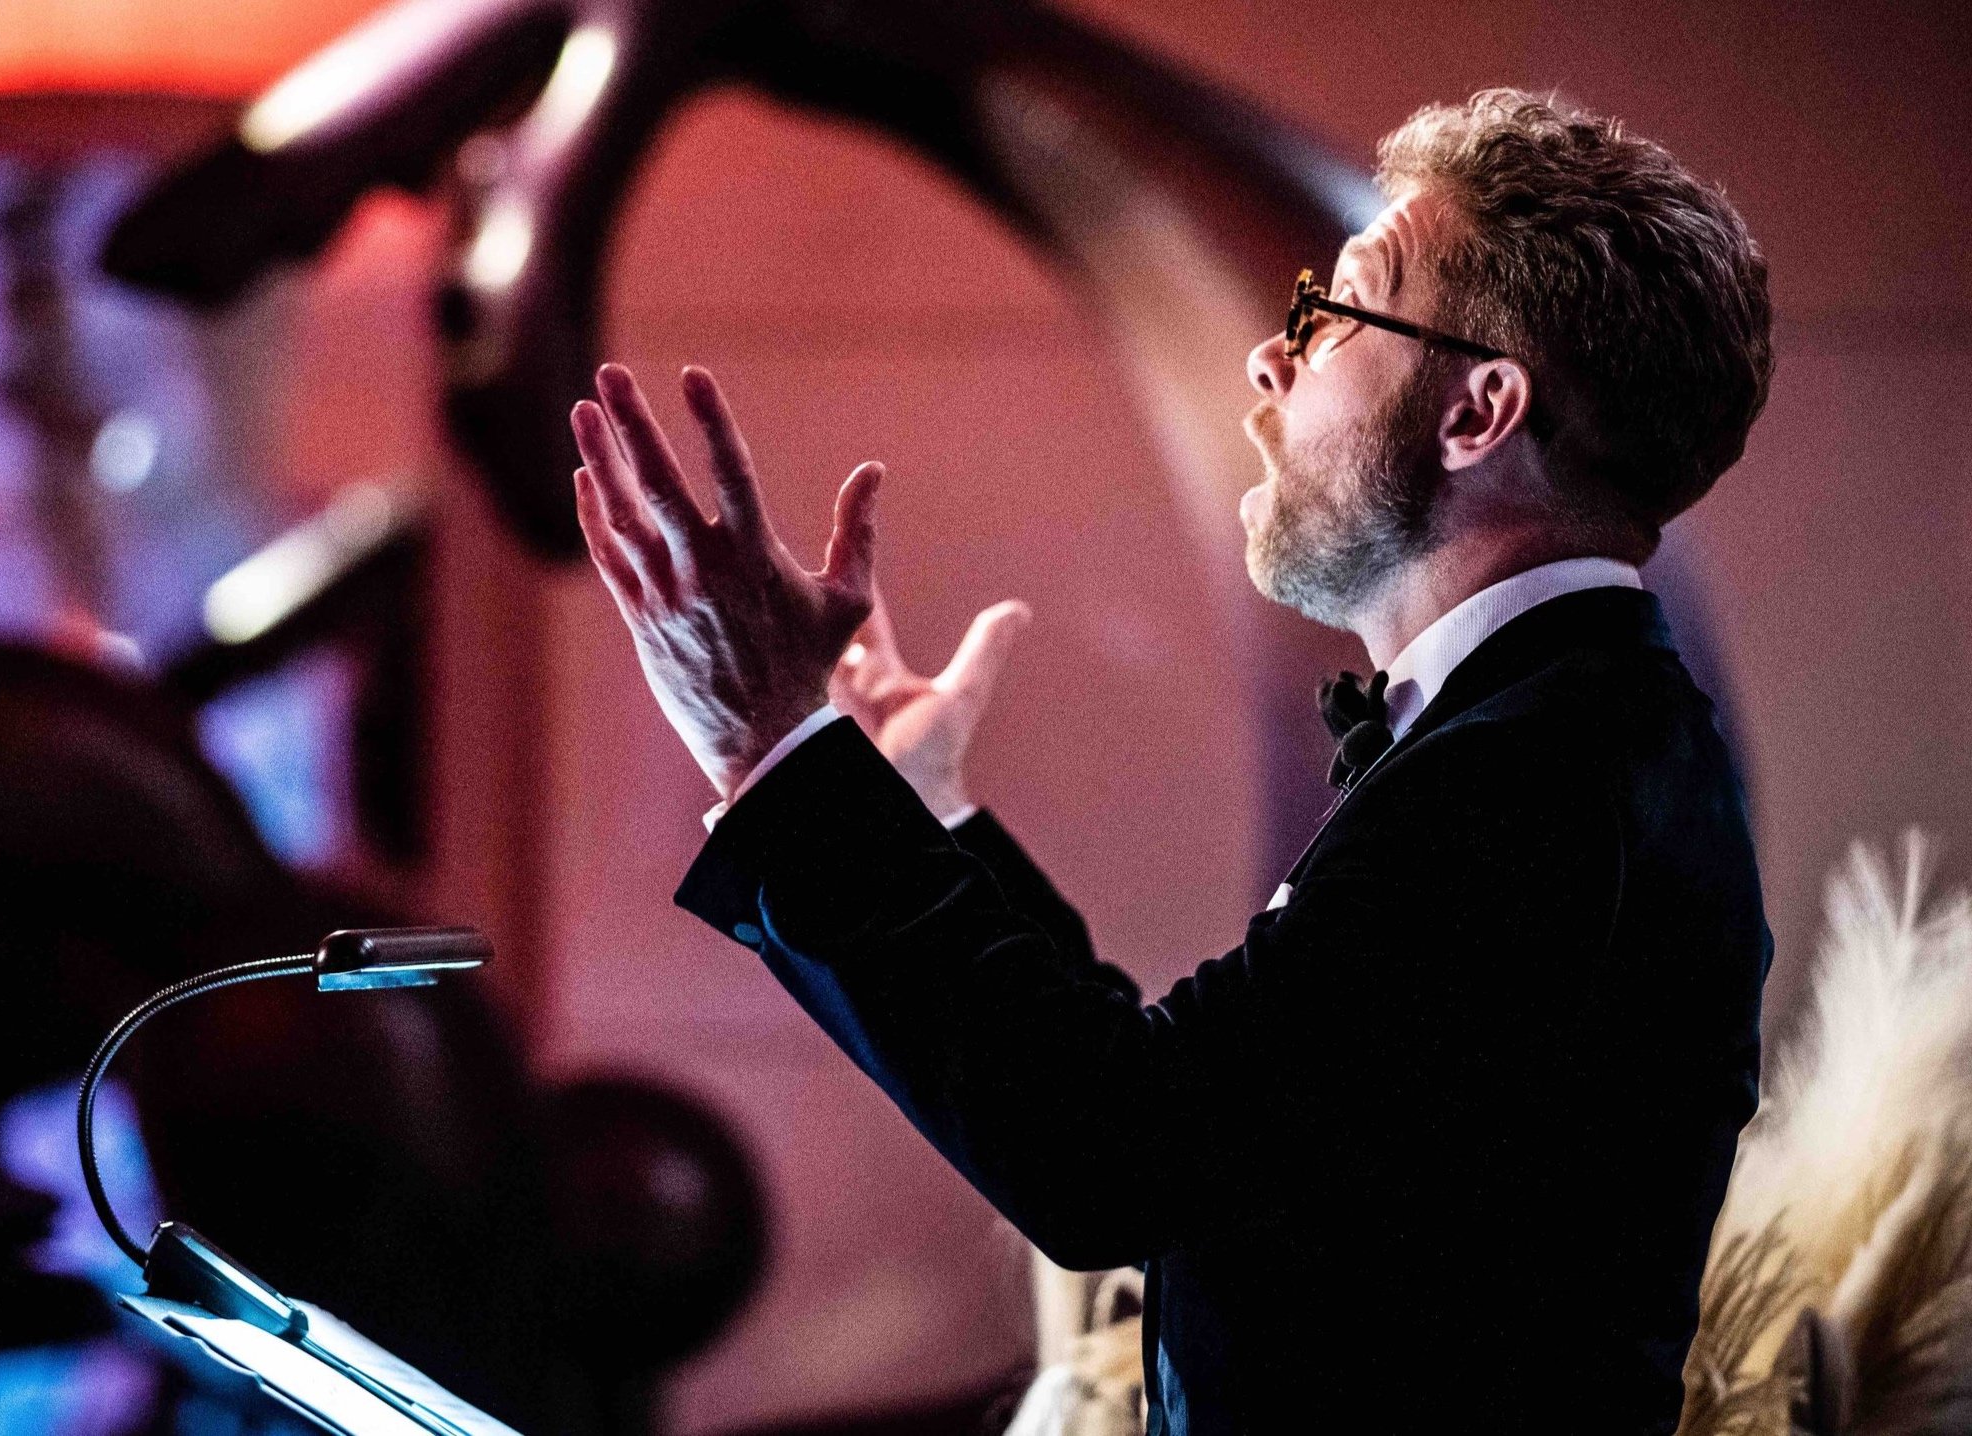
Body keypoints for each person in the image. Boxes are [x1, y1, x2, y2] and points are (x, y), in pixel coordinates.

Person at [566, 88, 1773, 1436]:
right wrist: (920, 810)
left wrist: (777, 750)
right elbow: (1205, 1128)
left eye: (1335, 313)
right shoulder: (1560, 735)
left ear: (1479, 409)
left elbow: (1113, 1158)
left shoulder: (1529, 777)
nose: (1270, 358)